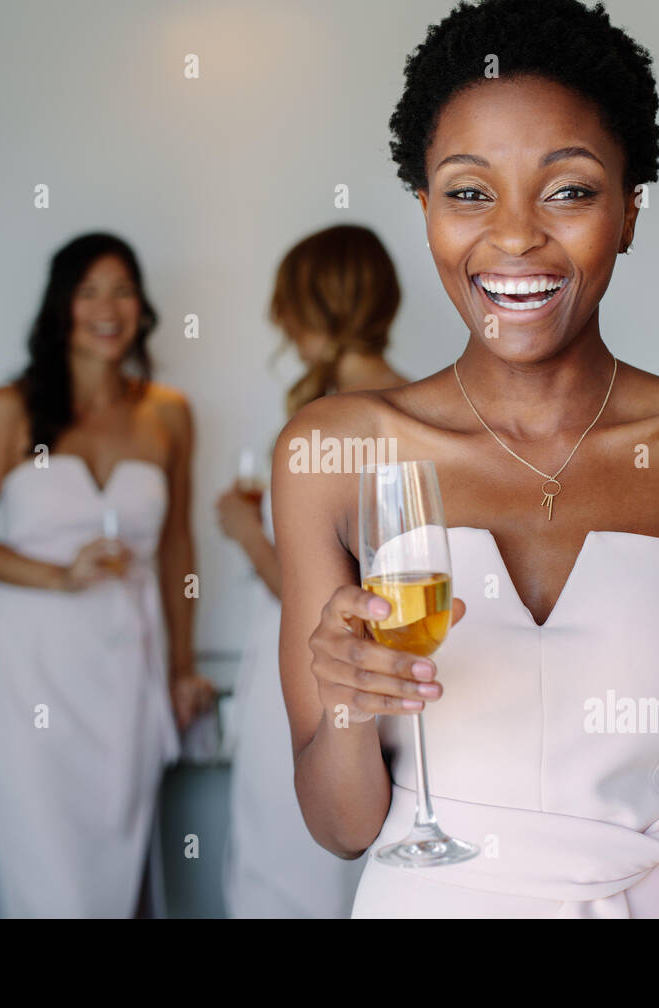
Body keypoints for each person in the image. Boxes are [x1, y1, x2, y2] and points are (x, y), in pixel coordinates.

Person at [274, 0, 659, 918]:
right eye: (469, 192)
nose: (514, 237)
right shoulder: (334, 452)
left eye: (569, 190)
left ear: (629, 211)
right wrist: (346, 700)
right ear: (424, 209)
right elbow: (343, 824)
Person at [0, 232, 215, 917]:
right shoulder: (9, 407)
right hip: (30, 674)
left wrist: (182, 667)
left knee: (118, 880)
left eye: (122, 289)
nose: (108, 306)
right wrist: (61, 576)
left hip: (127, 670)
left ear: (142, 306)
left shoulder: (169, 414)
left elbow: (179, 548)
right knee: (52, 888)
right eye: (89, 290)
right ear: (60, 306)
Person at [218, 225, 407, 917]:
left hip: (305, 680)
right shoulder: (431, 413)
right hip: (393, 687)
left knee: (287, 871)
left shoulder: (321, 428)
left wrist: (245, 533)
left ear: (308, 310)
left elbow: (329, 600)